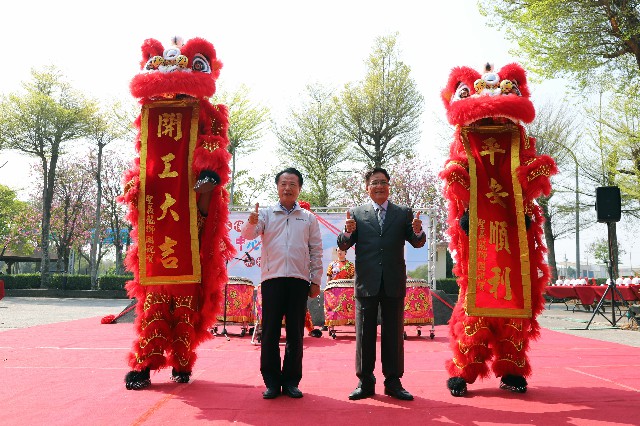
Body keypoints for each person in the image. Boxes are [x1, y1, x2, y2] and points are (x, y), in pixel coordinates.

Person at [337, 167, 426, 401]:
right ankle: (365, 381)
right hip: (366, 283)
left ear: (389, 186)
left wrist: (418, 232)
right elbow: (344, 245)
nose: (379, 186)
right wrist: (347, 233)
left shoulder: (403, 213)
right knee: (365, 335)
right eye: (374, 182)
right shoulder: (356, 214)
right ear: (367, 188)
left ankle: (393, 382)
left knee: (393, 334)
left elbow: (416, 242)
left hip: (393, 281)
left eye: (383, 182)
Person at [241, 167, 323, 400]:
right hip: (272, 279)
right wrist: (251, 221)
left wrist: (315, 280)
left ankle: (291, 382)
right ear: (277, 187)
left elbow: (316, 250)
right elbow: (248, 235)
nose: (287, 188)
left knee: (296, 333)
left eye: (292, 184)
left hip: (298, 280)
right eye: (283, 184)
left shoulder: (308, 218)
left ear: (299, 189)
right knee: (270, 333)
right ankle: (271, 382)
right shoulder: (266, 214)